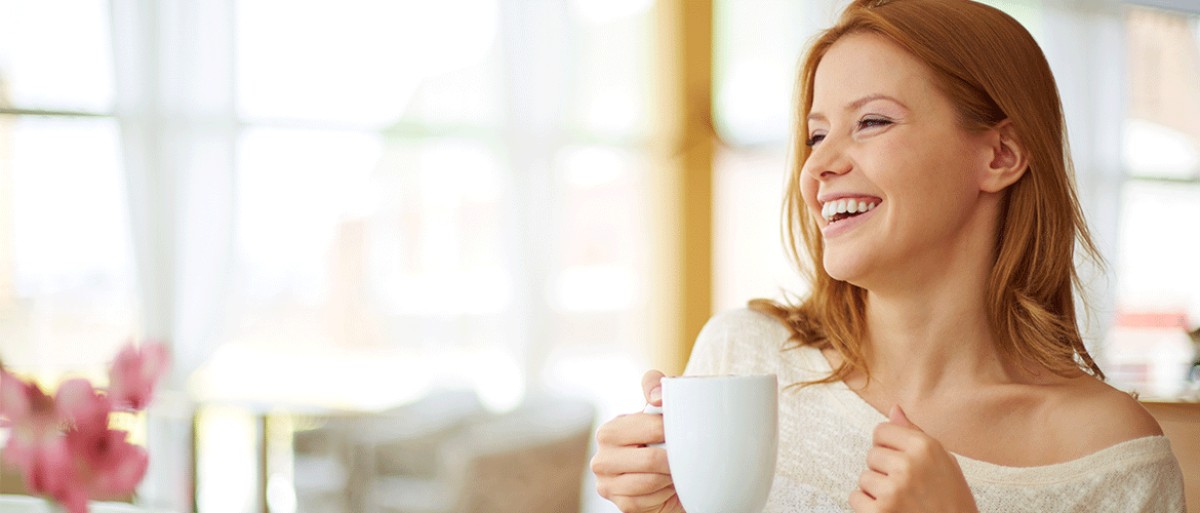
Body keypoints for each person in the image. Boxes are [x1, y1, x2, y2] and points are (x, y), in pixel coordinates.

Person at [590, 0, 1187, 511]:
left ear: (1000, 156)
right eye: (816, 135)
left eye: (871, 122)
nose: (818, 167)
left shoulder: (1112, 458)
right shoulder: (744, 355)